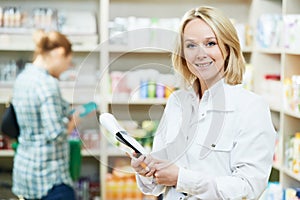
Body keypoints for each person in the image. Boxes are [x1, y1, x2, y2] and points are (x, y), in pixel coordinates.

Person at [130, 6, 276, 200]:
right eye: (191, 45)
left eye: (210, 43)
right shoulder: (176, 102)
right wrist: (146, 170)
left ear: (227, 48)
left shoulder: (251, 107)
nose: (200, 54)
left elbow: (248, 188)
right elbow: (157, 185)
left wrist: (182, 179)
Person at [12, 30, 78, 199]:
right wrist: (73, 122)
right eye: (67, 62)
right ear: (60, 53)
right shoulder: (47, 84)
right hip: (49, 177)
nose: (65, 68)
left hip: (25, 172)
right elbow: (56, 134)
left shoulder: (22, 78)